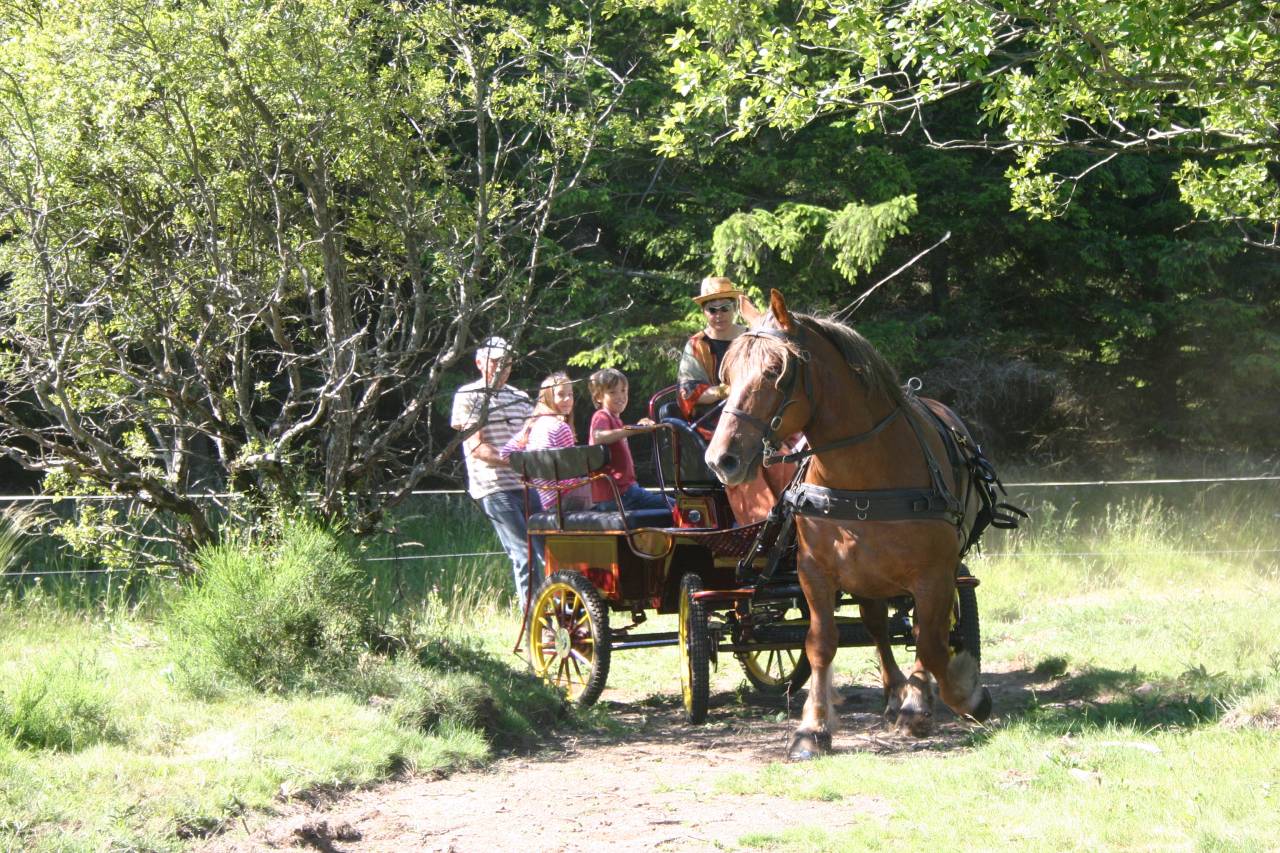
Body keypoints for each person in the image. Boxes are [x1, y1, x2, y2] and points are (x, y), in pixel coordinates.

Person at [677, 276, 797, 525]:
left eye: (724, 308)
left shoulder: (751, 337)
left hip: (757, 414)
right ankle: (760, 526)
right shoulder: (697, 346)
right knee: (742, 460)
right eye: (712, 310)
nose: (718, 315)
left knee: (782, 457)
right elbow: (691, 394)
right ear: (704, 312)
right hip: (714, 421)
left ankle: (795, 519)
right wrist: (729, 391)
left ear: (734, 308)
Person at [450, 336, 542, 609]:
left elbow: (534, 439)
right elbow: (477, 447)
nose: (503, 368)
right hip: (494, 486)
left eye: (507, 362)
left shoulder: (520, 397)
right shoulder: (469, 395)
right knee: (524, 554)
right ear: (480, 363)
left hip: (528, 486)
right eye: (496, 362)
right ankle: (534, 623)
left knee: (548, 550)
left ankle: (556, 614)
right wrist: (516, 462)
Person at [501, 371, 592, 512]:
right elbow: (572, 470)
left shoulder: (531, 426)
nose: (567, 399)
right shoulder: (560, 427)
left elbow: (505, 453)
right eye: (561, 394)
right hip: (568, 496)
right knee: (609, 486)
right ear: (549, 397)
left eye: (571, 394)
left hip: (546, 500)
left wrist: (530, 470)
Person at [587, 368, 674, 513]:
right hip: (620, 495)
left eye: (623, 391)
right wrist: (634, 430)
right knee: (677, 506)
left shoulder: (617, 420)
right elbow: (598, 437)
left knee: (670, 504)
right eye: (612, 392)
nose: (620, 396)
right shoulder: (601, 415)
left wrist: (637, 427)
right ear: (599, 397)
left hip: (625, 493)